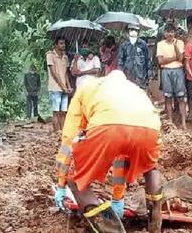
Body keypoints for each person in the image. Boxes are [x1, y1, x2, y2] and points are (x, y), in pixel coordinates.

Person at [54, 70, 162, 233]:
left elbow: (69, 141)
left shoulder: (87, 88)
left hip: (108, 126)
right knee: (150, 169)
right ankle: (155, 219)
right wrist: (118, 199)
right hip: (149, 127)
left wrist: (61, 184)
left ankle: (109, 229)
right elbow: (121, 157)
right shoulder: (135, 89)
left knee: (75, 180)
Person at [156, 23, 187, 129]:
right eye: (168, 32)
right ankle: (170, 123)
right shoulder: (160, 44)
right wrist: (174, 58)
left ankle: (183, 123)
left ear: (175, 33)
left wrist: (175, 47)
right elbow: (160, 61)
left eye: (172, 32)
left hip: (178, 70)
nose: (170, 34)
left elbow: (181, 58)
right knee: (168, 98)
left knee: (181, 98)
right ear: (164, 33)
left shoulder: (180, 43)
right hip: (166, 71)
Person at [46, 36, 73, 132]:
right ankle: (56, 132)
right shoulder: (50, 55)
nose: (63, 45)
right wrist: (62, 86)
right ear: (56, 45)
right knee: (56, 112)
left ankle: (62, 132)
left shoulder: (65, 57)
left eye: (64, 43)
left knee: (64, 112)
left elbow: (65, 73)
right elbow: (54, 73)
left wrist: (68, 86)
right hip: (55, 87)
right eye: (61, 43)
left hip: (64, 88)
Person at [117, 24, 153, 90]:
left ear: (138, 32)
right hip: (127, 77)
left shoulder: (143, 44)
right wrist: (120, 75)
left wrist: (150, 76)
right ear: (128, 32)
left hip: (141, 77)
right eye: (131, 30)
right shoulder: (124, 45)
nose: (133, 32)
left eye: (135, 30)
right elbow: (120, 61)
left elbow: (147, 60)